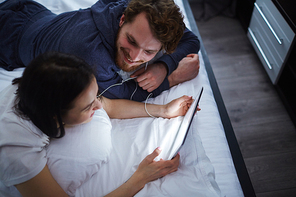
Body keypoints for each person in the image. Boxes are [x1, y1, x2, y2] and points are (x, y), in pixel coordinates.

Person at [0, 51, 196, 197]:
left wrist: (163, 110)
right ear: (55, 117)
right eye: (87, 107)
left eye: (95, 95)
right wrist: (140, 178)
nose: (98, 106)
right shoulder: (17, 149)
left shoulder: (44, 81)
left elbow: (107, 105)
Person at [0, 0, 200, 101]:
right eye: (131, 40)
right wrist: (173, 78)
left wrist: (165, 65)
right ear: (122, 19)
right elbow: (123, 93)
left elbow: (191, 39)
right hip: (7, 38)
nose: (134, 57)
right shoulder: (91, 55)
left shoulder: (135, 7)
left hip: (32, 11)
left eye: (149, 52)